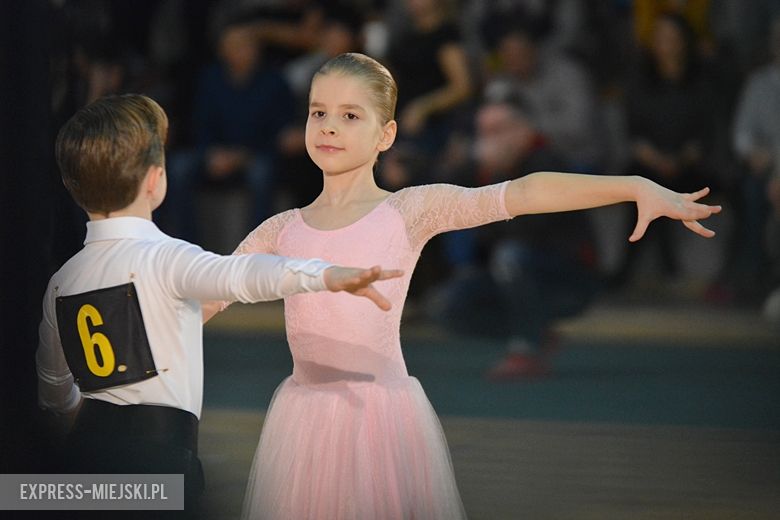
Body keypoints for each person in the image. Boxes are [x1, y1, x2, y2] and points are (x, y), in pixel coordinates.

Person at [204, 53, 720, 520]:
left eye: (350, 115)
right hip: (303, 423)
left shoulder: (408, 210)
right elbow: (208, 294)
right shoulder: (280, 229)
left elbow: (521, 192)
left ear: (386, 135)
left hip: (380, 419)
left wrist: (633, 186)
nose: (330, 127)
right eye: (319, 112)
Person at [36, 93, 402, 518]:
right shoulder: (166, 259)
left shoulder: (61, 282)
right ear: (156, 181)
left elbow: (54, 389)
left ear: (72, 187)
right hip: (159, 461)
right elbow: (243, 276)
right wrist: (326, 274)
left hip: (83, 457)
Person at [427, 94, 601, 379]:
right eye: (482, 132)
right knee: (445, 305)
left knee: (511, 255)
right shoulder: (485, 168)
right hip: (511, 279)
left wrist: (480, 198)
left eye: (497, 130)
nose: (487, 139)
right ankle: (536, 333)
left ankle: (525, 348)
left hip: (569, 281)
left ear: (525, 132)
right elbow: (438, 185)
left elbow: (525, 229)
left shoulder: (546, 163)